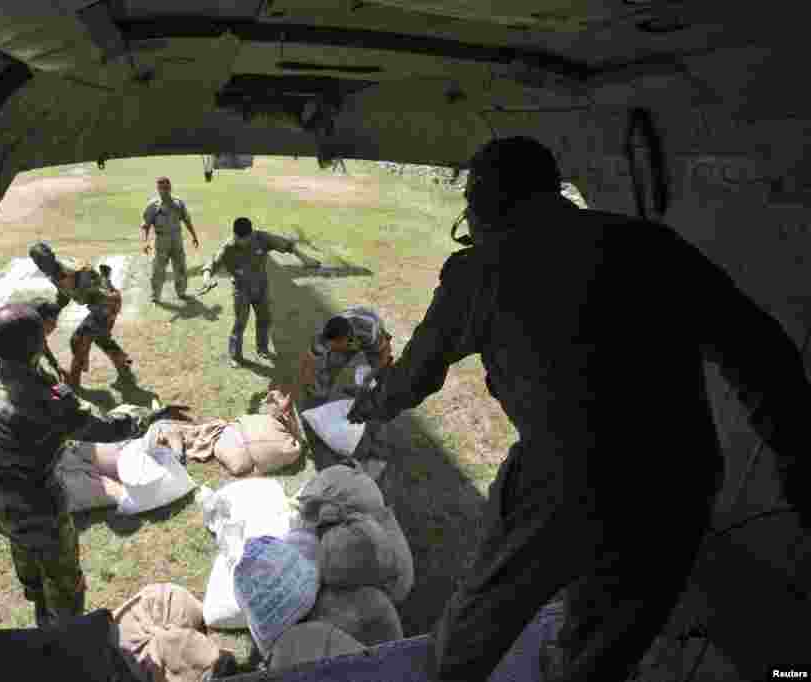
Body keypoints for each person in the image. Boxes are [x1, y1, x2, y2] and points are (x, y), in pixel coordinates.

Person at [346, 136, 811, 681]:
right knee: (606, 645)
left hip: (562, 482)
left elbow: (416, 375)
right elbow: (760, 350)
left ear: (480, 200)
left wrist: (373, 403)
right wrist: (797, 461)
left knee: (473, 631)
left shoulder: (480, 269)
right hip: (680, 481)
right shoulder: (651, 245)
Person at [0, 303, 160, 628]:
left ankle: (40, 607)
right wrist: (149, 414)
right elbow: (108, 429)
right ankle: (65, 642)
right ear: (36, 344)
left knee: (26, 556)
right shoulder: (49, 401)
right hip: (39, 505)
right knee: (65, 586)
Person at [201, 217, 318, 368]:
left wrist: (305, 259)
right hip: (241, 290)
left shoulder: (261, 238)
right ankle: (235, 356)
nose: (241, 242)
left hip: (261, 287)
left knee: (264, 319)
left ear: (251, 234)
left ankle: (262, 348)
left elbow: (286, 245)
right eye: (238, 238)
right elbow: (212, 263)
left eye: (245, 238)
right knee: (240, 323)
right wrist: (206, 280)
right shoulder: (228, 247)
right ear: (234, 235)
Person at [28, 242, 131, 387]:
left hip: (106, 304)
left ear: (52, 256)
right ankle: (123, 364)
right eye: (38, 262)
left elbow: (102, 291)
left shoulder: (75, 271)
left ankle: (73, 382)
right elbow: (65, 294)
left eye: (44, 260)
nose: (42, 265)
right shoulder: (54, 273)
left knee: (79, 339)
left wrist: (106, 310)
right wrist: (56, 308)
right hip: (99, 305)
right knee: (100, 337)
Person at [296, 307, 394, 403]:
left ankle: (380, 396)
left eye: (336, 346)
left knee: (381, 370)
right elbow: (307, 362)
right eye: (330, 346)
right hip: (350, 334)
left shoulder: (369, 331)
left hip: (372, 335)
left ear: (346, 339)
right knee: (334, 361)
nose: (331, 349)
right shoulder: (325, 336)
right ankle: (321, 391)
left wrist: (367, 381)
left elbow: (384, 354)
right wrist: (290, 398)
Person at [141, 176, 200, 302]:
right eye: (162, 188)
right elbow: (145, 226)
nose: (165, 190)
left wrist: (194, 236)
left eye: (167, 187)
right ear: (158, 189)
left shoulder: (178, 203)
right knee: (158, 269)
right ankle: (155, 295)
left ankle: (181, 292)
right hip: (161, 240)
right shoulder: (153, 206)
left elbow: (187, 220)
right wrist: (145, 242)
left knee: (180, 267)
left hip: (177, 239)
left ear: (170, 188)